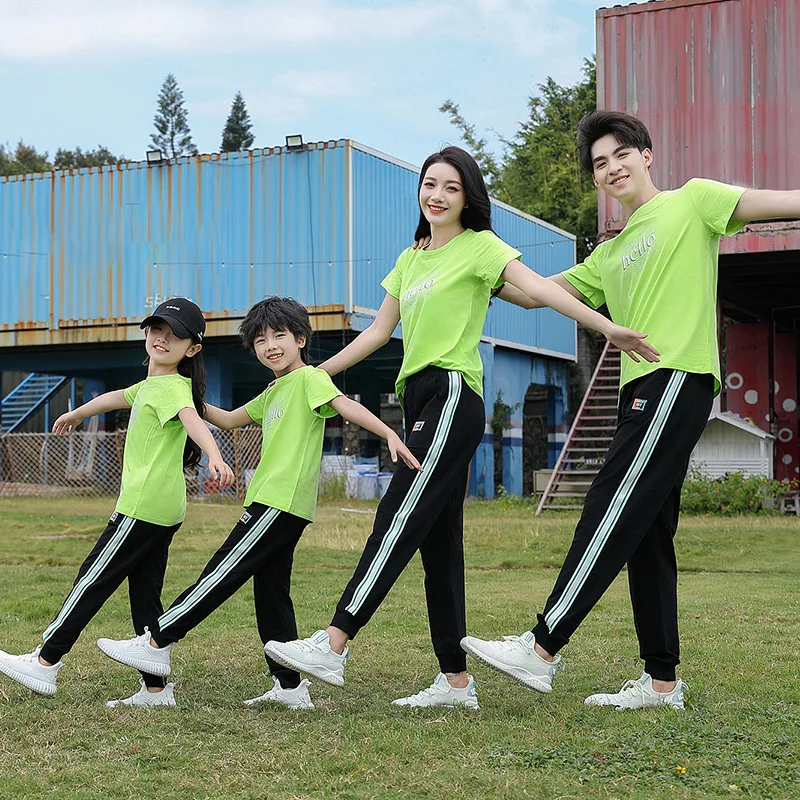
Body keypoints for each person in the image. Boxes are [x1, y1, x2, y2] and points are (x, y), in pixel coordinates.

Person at [264, 145, 658, 710]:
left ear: (467, 196)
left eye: (451, 187)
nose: (437, 195)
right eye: (429, 184)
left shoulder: (480, 247)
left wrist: (607, 328)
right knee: (438, 545)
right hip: (419, 394)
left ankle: (334, 643)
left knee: (396, 516)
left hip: (452, 393)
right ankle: (456, 681)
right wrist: (306, 378)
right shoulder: (410, 258)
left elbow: (541, 290)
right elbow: (377, 334)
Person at [461, 109, 800, 710]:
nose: (611, 168)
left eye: (620, 155)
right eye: (599, 164)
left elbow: (781, 202)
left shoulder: (693, 202)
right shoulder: (607, 257)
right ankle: (662, 682)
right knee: (647, 534)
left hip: (674, 380)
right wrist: (471, 254)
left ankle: (541, 649)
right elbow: (530, 294)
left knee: (608, 505)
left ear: (646, 155)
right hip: (638, 392)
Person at [95, 296, 421, 710]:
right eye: (261, 340)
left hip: (277, 504)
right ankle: (289, 688)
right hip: (277, 503)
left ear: (301, 339)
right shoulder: (275, 389)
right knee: (271, 594)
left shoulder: (309, 380)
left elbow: (345, 404)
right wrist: (177, 396)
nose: (270, 346)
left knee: (220, 573)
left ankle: (158, 640)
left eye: (279, 336)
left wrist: (389, 433)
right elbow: (230, 419)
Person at [0, 299, 234, 706]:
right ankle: (155, 689)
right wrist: (76, 414)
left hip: (142, 508)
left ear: (192, 348)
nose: (161, 338)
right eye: (155, 329)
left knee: (92, 579)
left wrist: (214, 455)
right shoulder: (149, 387)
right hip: (165, 510)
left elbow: (193, 419)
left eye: (174, 334)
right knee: (145, 594)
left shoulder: (172, 388)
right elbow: (112, 399)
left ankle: (45, 661)